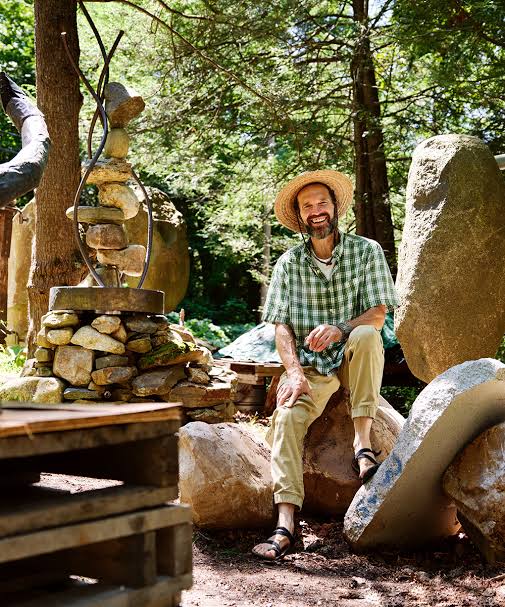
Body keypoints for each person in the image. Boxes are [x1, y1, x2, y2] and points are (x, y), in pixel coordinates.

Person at [252, 169, 398, 561]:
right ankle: (286, 524)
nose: (316, 210)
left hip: (353, 358)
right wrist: (293, 373)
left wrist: (339, 328)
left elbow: (378, 315)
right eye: (307, 206)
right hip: (312, 368)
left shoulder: (367, 251)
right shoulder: (288, 264)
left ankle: (362, 444)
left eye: (322, 203)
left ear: (335, 208)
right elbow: (280, 326)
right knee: (286, 417)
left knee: (365, 335)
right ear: (300, 216)